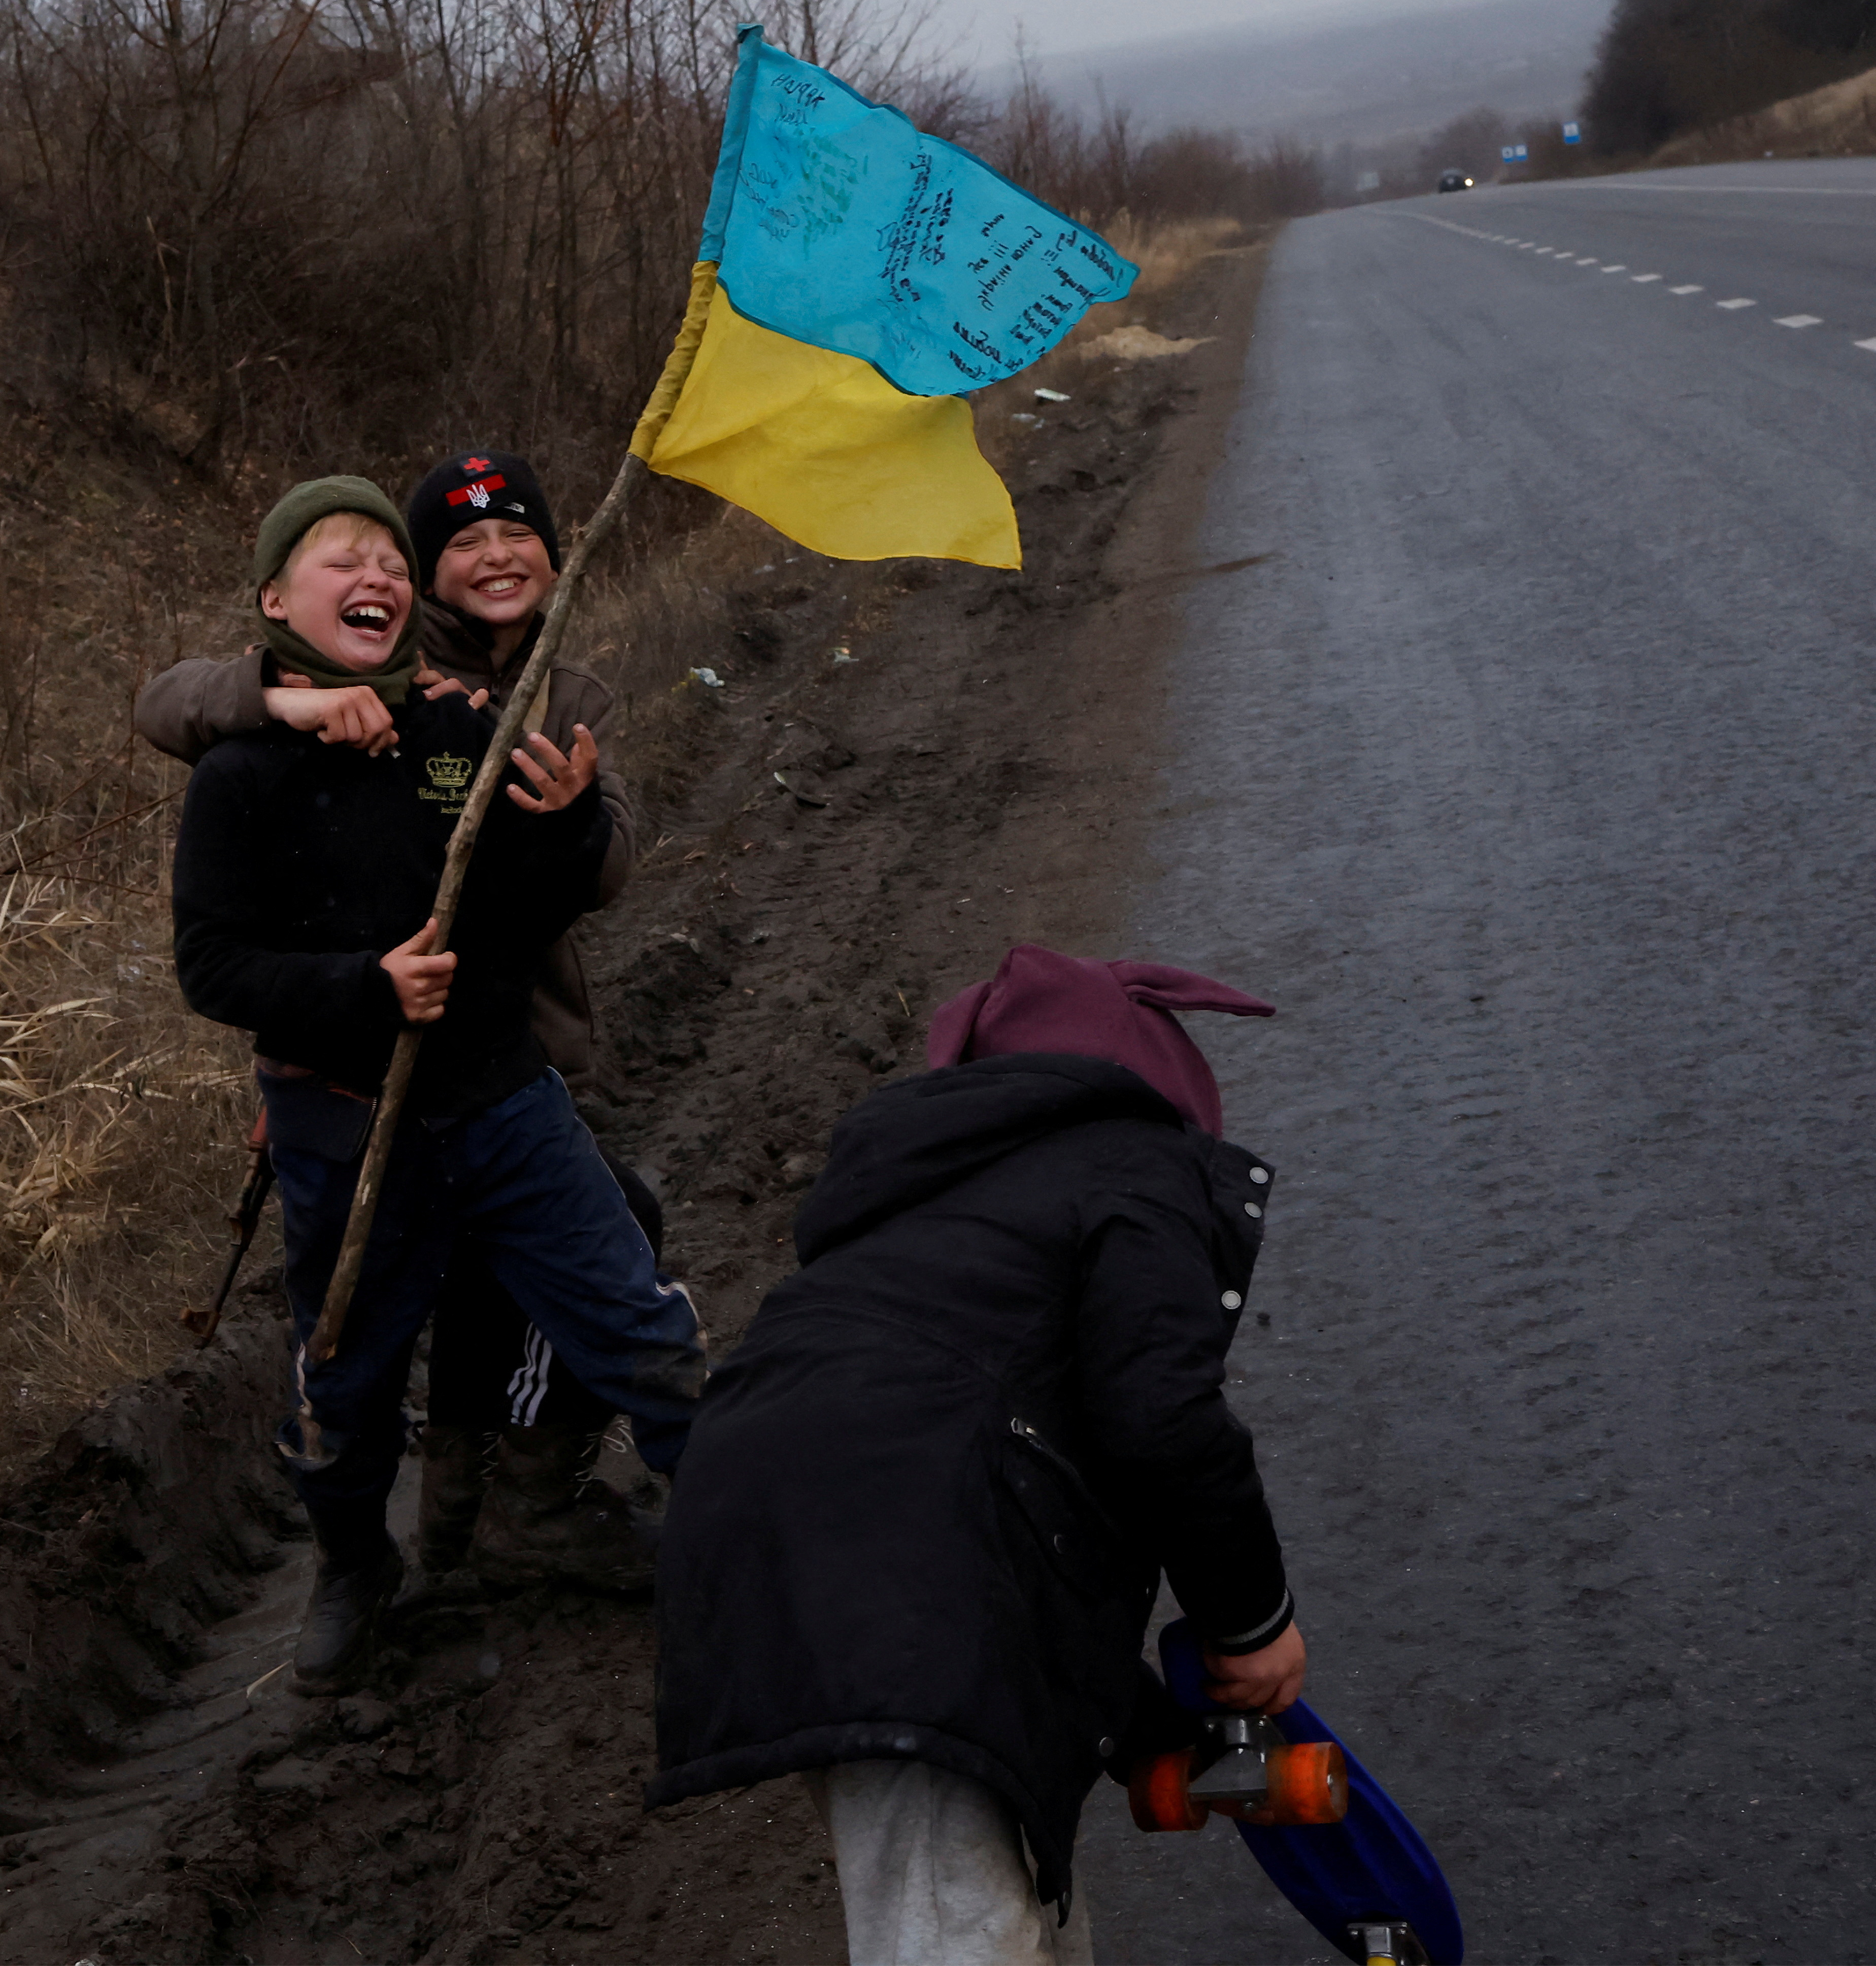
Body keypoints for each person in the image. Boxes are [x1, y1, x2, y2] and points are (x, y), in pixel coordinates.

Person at [645, 945, 1305, 1966]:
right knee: (953, 1924)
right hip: (894, 1581)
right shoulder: (1137, 1164)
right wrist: (1249, 1618)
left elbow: (1009, 1499)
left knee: (1001, 1894)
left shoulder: (926, 1216)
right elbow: (1160, 1413)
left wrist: (1141, 1735)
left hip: (774, 1541)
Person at [170, 473, 704, 1693]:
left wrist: (564, 826)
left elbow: (532, 900)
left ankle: (729, 1520)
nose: (376, 577)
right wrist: (368, 988)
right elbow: (211, 963)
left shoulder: (460, 731)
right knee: (346, 1370)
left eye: (386, 563)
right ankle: (355, 1563)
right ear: (273, 601)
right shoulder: (240, 770)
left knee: (637, 1311)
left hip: (506, 1096)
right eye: (340, 560)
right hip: (345, 1120)